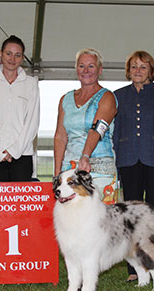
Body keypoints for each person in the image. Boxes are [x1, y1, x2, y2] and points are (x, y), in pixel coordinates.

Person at [113, 50, 154, 282]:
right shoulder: (118, 96)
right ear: (128, 70)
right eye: (134, 67)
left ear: (151, 70)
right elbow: (115, 134)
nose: (138, 71)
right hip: (128, 161)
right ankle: (135, 270)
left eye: (143, 66)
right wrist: (116, 167)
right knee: (131, 218)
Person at [54, 48, 118, 203]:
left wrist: (85, 156)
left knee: (101, 223)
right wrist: (57, 173)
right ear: (76, 69)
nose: (86, 70)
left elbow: (96, 130)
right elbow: (60, 137)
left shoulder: (107, 97)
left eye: (91, 66)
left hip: (99, 169)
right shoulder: (65, 99)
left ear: (100, 70)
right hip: (69, 169)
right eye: (81, 66)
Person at [0, 35, 40, 182]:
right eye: (8, 53)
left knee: (20, 204)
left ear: (22, 58)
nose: (12, 59)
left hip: (22, 155)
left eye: (17, 55)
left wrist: (14, 151)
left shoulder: (31, 83)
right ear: (0, 54)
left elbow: (32, 122)